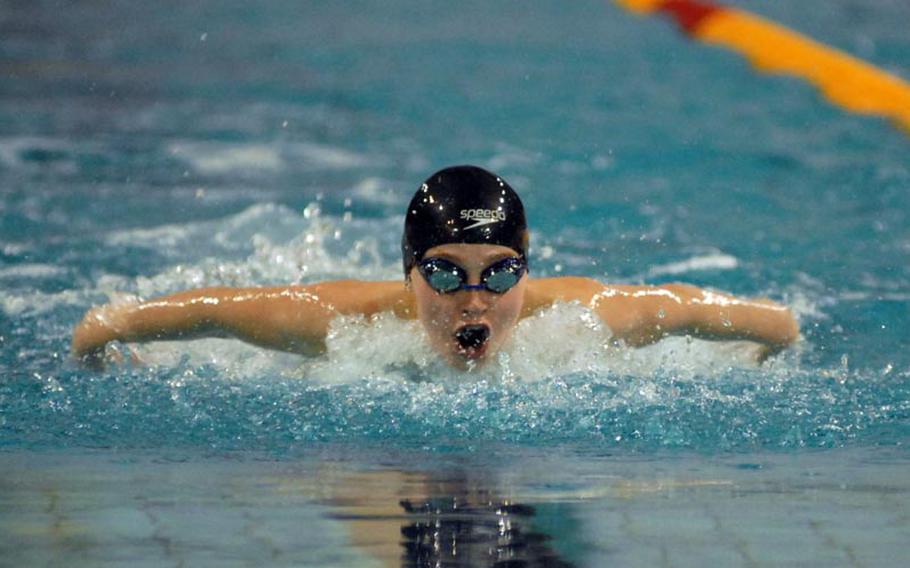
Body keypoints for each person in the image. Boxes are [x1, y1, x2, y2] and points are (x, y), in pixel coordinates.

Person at [72, 165, 799, 369]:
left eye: (502, 272)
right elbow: (119, 322)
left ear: (528, 270)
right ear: (410, 275)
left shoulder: (592, 317)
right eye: (447, 274)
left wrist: (762, 361)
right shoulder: (337, 324)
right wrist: (108, 356)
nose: (476, 301)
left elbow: (780, 325)